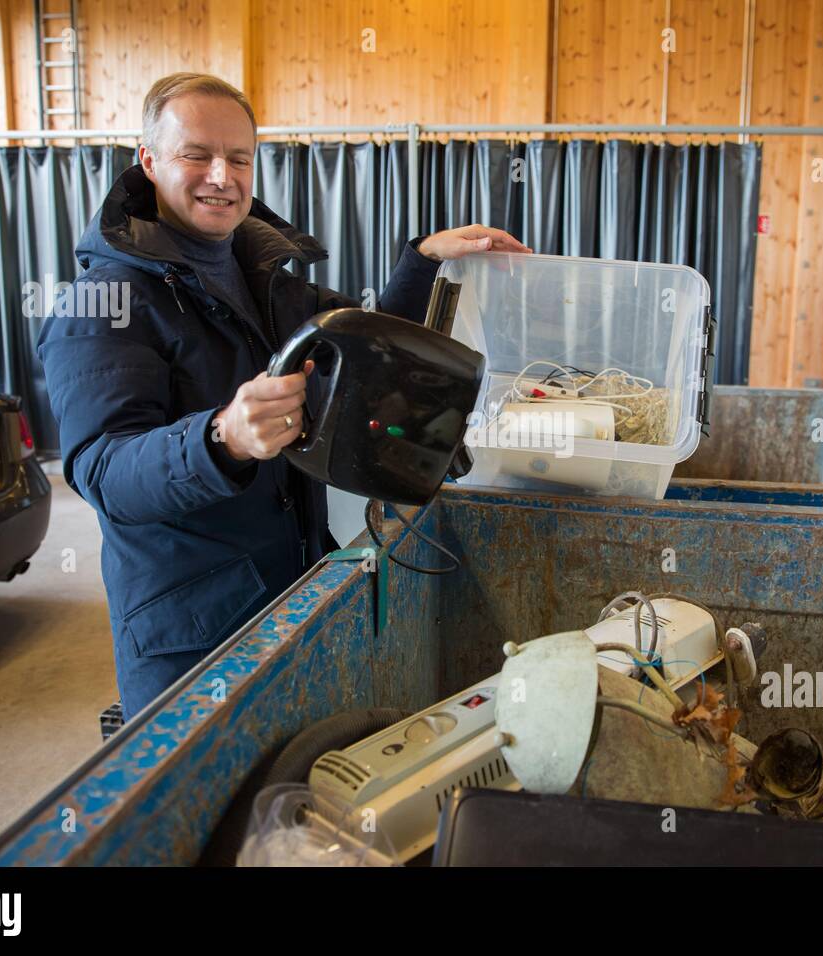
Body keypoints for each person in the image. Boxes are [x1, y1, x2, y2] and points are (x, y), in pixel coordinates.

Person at [38, 73, 530, 720]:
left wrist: (423, 263)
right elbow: (103, 470)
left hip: (295, 596)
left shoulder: (270, 281)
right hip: (192, 636)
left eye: (239, 158)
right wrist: (221, 439)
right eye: (197, 154)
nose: (222, 175)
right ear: (149, 162)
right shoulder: (103, 305)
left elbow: (362, 350)